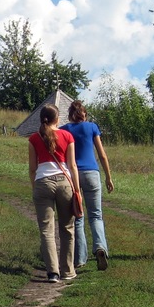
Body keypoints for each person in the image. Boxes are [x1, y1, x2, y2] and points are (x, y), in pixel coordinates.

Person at [28, 104, 81, 282]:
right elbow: (72, 165)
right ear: (57, 119)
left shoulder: (34, 138)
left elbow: (32, 169)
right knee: (67, 228)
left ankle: (52, 272)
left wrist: (35, 187)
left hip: (42, 183)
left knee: (46, 230)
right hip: (64, 182)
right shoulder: (67, 136)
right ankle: (67, 270)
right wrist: (77, 189)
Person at [61, 101, 114, 271]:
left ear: (70, 114)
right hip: (92, 172)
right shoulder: (92, 127)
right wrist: (108, 177)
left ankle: (80, 258)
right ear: (85, 114)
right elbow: (102, 155)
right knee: (96, 215)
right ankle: (100, 248)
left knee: (78, 216)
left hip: (72, 174)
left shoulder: (64, 130)